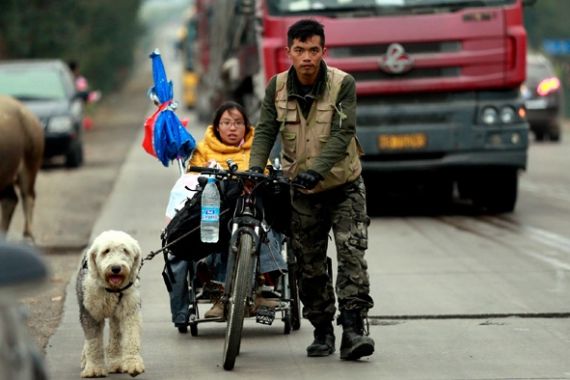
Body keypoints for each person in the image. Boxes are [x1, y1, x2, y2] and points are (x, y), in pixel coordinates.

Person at [248, 19, 374, 360]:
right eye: (300, 50)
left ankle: (352, 330)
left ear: (323, 51)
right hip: (301, 191)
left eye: (313, 50)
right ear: (288, 51)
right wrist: (255, 170)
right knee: (309, 265)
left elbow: (343, 133)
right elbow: (264, 132)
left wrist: (316, 171)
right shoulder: (276, 87)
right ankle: (322, 330)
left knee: (352, 256)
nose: (306, 57)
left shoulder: (342, 84)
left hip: (344, 185)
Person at [166, 101, 287, 330]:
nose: (232, 128)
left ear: (246, 127)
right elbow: (191, 181)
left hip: (253, 210)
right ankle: (220, 295)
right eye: (227, 123)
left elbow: (268, 172)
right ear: (217, 126)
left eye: (238, 123)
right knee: (219, 236)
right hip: (219, 213)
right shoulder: (203, 150)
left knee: (268, 228)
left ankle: (261, 285)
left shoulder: (257, 148)